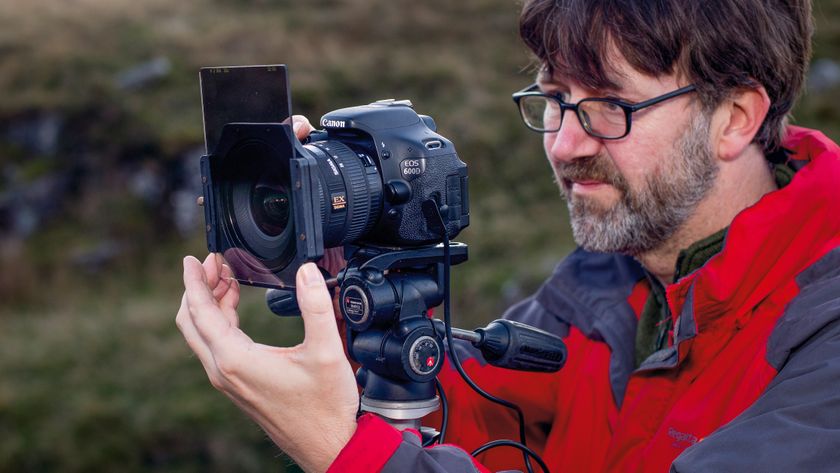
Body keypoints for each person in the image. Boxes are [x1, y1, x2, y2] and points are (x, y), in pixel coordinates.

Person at [176, 0, 840, 471]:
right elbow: (468, 434)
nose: (565, 142)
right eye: (554, 97)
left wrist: (352, 454)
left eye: (609, 106)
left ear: (735, 118)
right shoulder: (598, 288)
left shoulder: (822, 336)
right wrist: (354, 298)